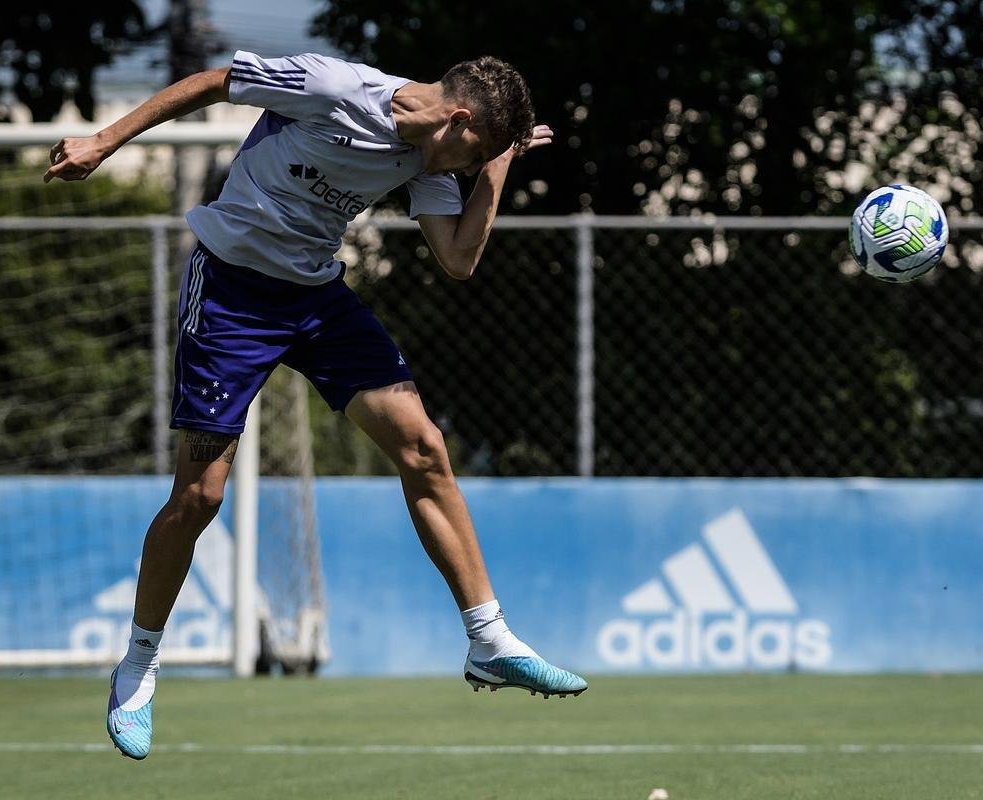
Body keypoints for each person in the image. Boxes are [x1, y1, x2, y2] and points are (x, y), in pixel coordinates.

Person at [45, 51, 587, 761]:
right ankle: (139, 665)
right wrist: (103, 140)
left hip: (314, 302)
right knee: (201, 496)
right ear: (456, 118)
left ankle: (489, 640)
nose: (466, 164)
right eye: (475, 149)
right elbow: (215, 81)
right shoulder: (334, 86)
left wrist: (498, 163)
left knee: (424, 448)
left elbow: (458, 259)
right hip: (234, 293)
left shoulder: (432, 157)